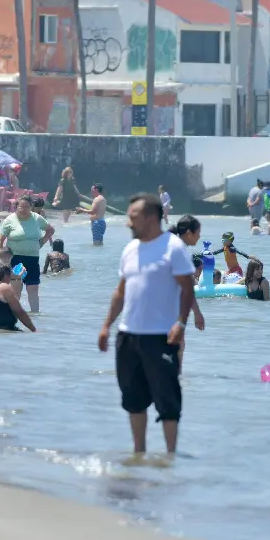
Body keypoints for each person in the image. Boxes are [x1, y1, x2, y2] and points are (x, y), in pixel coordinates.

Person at [98, 194, 198, 455]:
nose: (128, 223)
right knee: (133, 399)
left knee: (168, 400)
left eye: (133, 218)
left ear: (151, 218)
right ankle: (138, 453)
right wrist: (106, 325)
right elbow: (120, 292)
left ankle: (170, 457)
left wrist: (181, 323)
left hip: (161, 336)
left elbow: (187, 290)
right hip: (128, 335)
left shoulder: (173, 247)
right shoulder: (129, 249)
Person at [0, 195, 54, 313]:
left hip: (33, 258)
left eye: (27, 206)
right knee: (16, 289)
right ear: (16, 207)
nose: (24, 209)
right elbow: (0, 239)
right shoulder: (10, 219)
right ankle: (14, 314)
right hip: (16, 259)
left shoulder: (37, 218)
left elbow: (50, 230)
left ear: (31, 207)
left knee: (33, 289)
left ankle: (35, 315)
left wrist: (42, 241)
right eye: (21, 206)